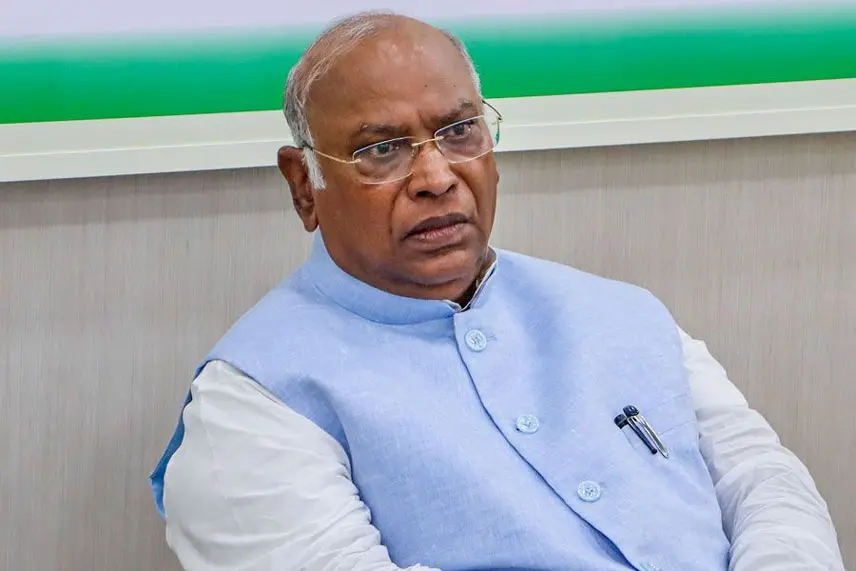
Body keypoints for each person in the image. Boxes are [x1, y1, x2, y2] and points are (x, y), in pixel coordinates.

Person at [150, 12, 845, 571]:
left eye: (459, 132)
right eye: (381, 150)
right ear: (305, 185)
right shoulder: (253, 402)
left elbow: (764, 480)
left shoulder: (621, 312)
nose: (436, 178)